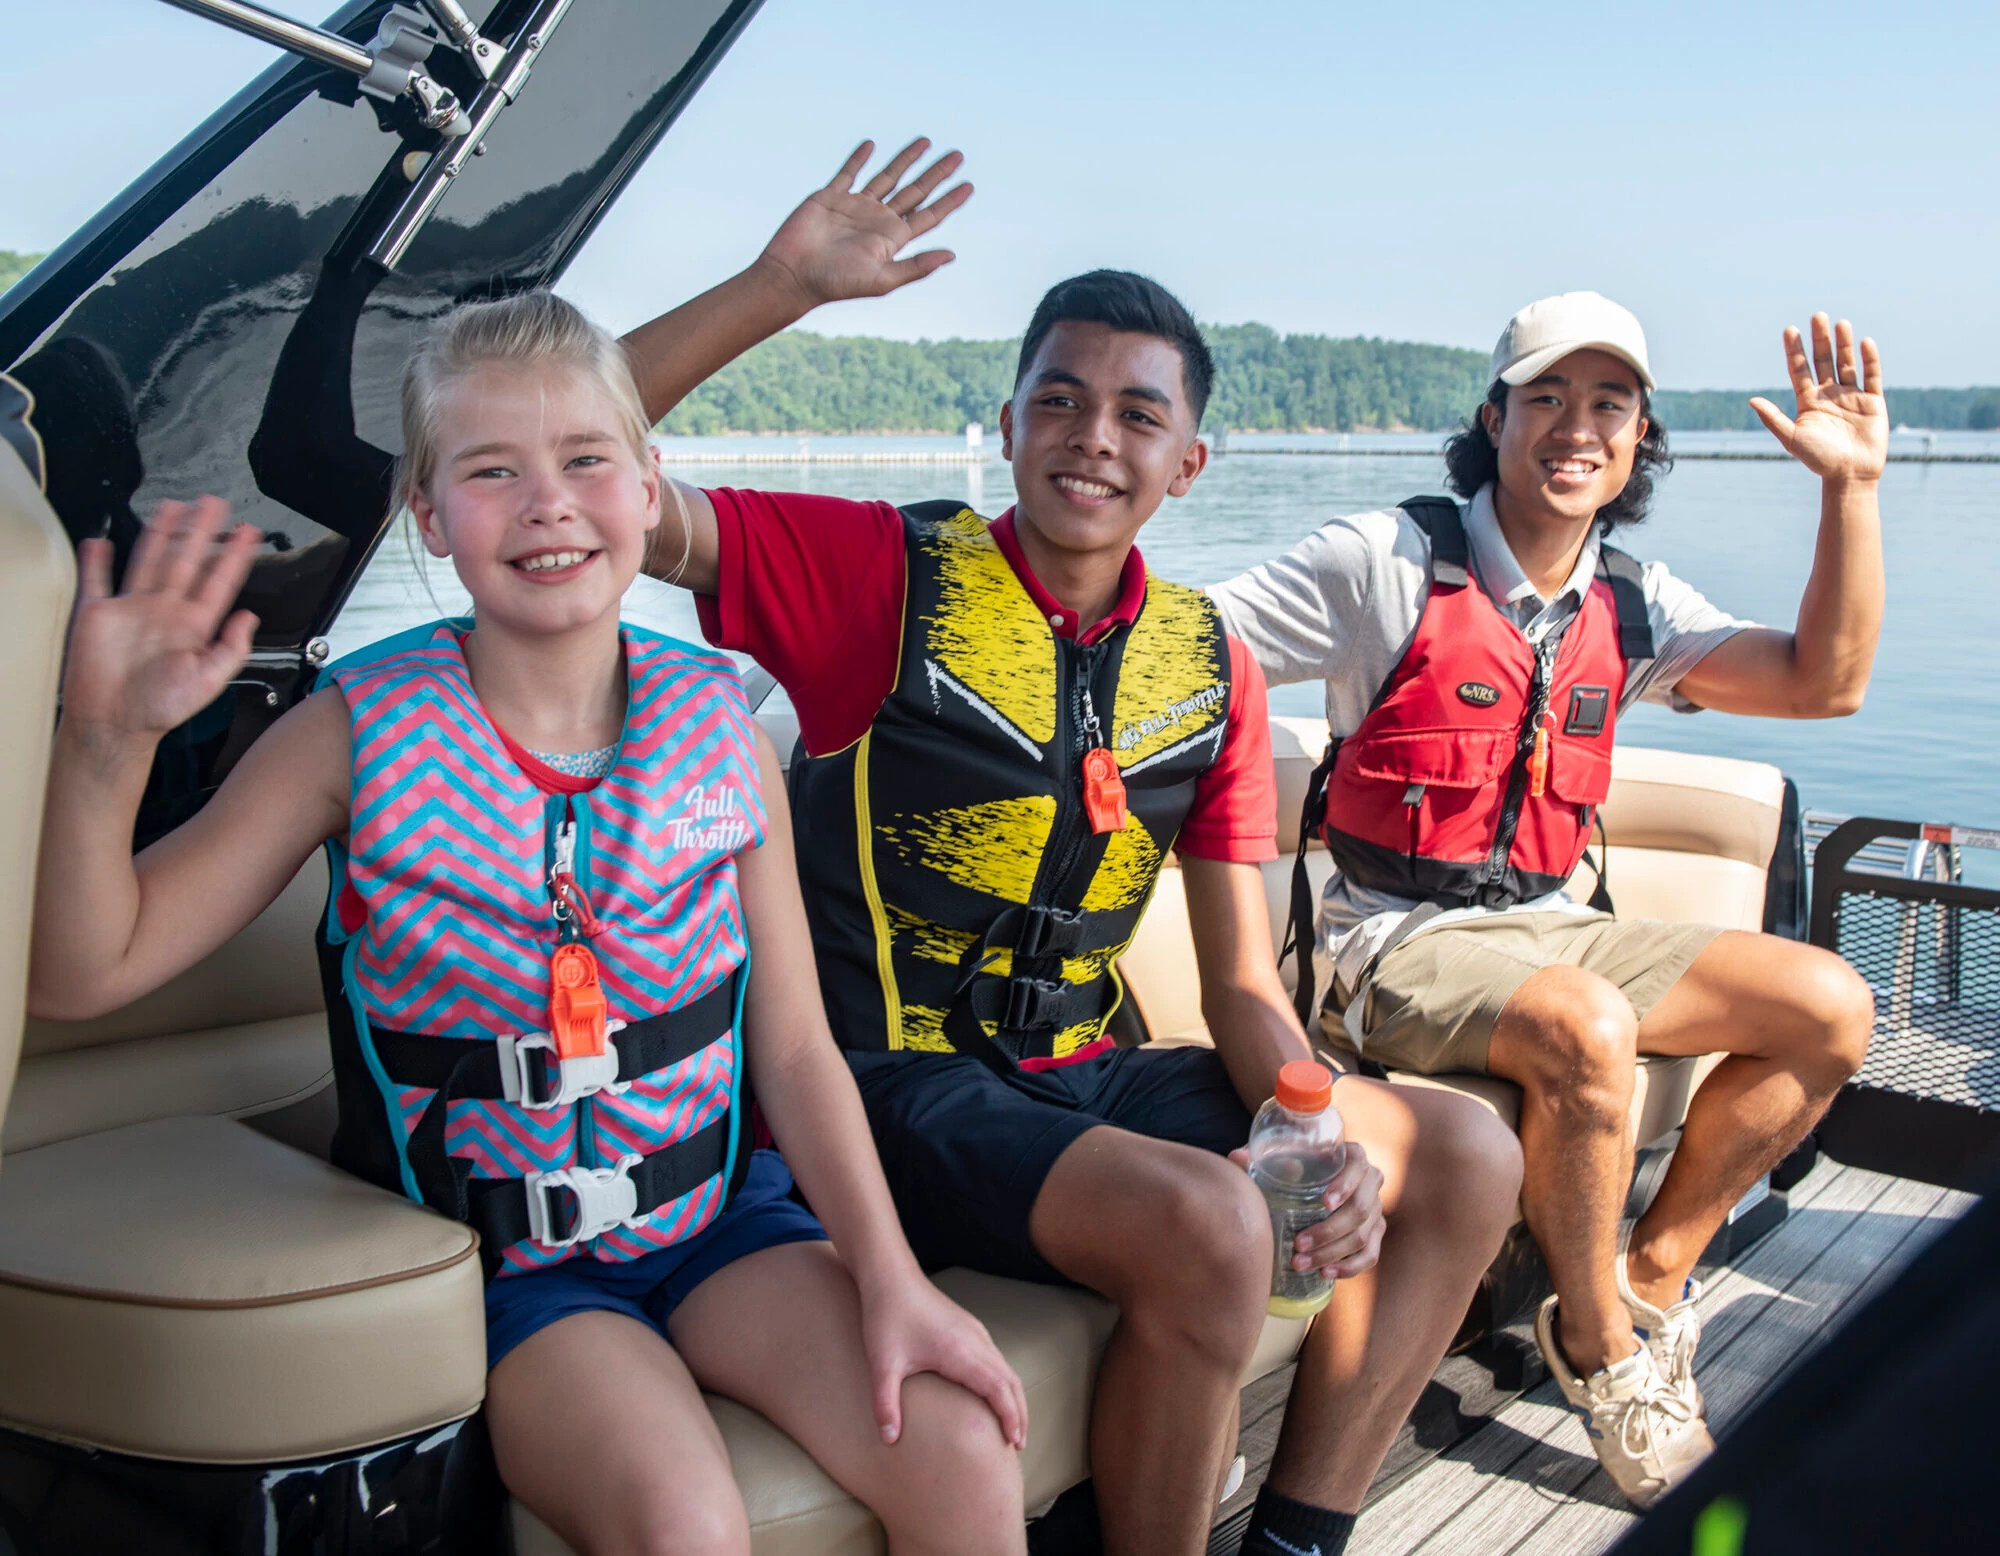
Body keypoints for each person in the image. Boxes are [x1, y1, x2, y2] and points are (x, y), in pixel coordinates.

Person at [613, 141, 1525, 1556]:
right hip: (882, 1090)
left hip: (1084, 1078)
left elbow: (1235, 982)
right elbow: (589, 464)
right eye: (1061, 398)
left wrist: (1309, 1119)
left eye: (1136, 413)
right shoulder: (876, 581)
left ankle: (1300, 1533)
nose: (1094, 434)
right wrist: (777, 289)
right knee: (1217, 1228)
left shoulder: (1209, 665)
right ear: (1013, 420)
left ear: (1188, 459)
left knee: (1464, 1150)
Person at [28, 291, 1031, 1556]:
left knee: (958, 1443)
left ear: (648, 483)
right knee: (684, 1523)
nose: (548, 501)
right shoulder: (350, 732)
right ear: (432, 518)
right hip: (514, 1277)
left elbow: (789, 1053)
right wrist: (105, 738)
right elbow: (86, 968)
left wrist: (891, 1284)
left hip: (721, 1220)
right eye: (492, 471)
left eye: (584, 460)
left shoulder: (721, 728)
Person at [1207, 290, 1883, 1506]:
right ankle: (1604, 1353)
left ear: (1636, 440)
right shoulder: (1384, 561)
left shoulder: (1630, 603)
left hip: (1552, 922)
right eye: (1548, 398)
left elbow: (1820, 681)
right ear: (1493, 418)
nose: (1577, 427)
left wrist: (1848, 490)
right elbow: (1177, 640)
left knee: (1828, 1002)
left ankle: (1647, 1284)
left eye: (1608, 405)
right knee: (1585, 1023)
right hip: (1387, 947)